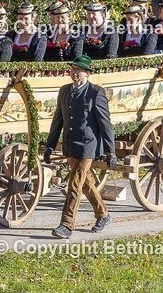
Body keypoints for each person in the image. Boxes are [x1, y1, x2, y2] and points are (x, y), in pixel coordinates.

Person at [44, 55, 116, 238]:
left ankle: (67, 225)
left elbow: (105, 123)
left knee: (74, 183)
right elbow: (58, 120)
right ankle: (103, 214)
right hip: (70, 143)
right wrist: (50, 146)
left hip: (88, 145)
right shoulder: (64, 91)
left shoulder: (96, 92)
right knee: (86, 182)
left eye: (78, 70)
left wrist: (110, 151)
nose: (74, 72)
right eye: (72, 69)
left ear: (87, 73)